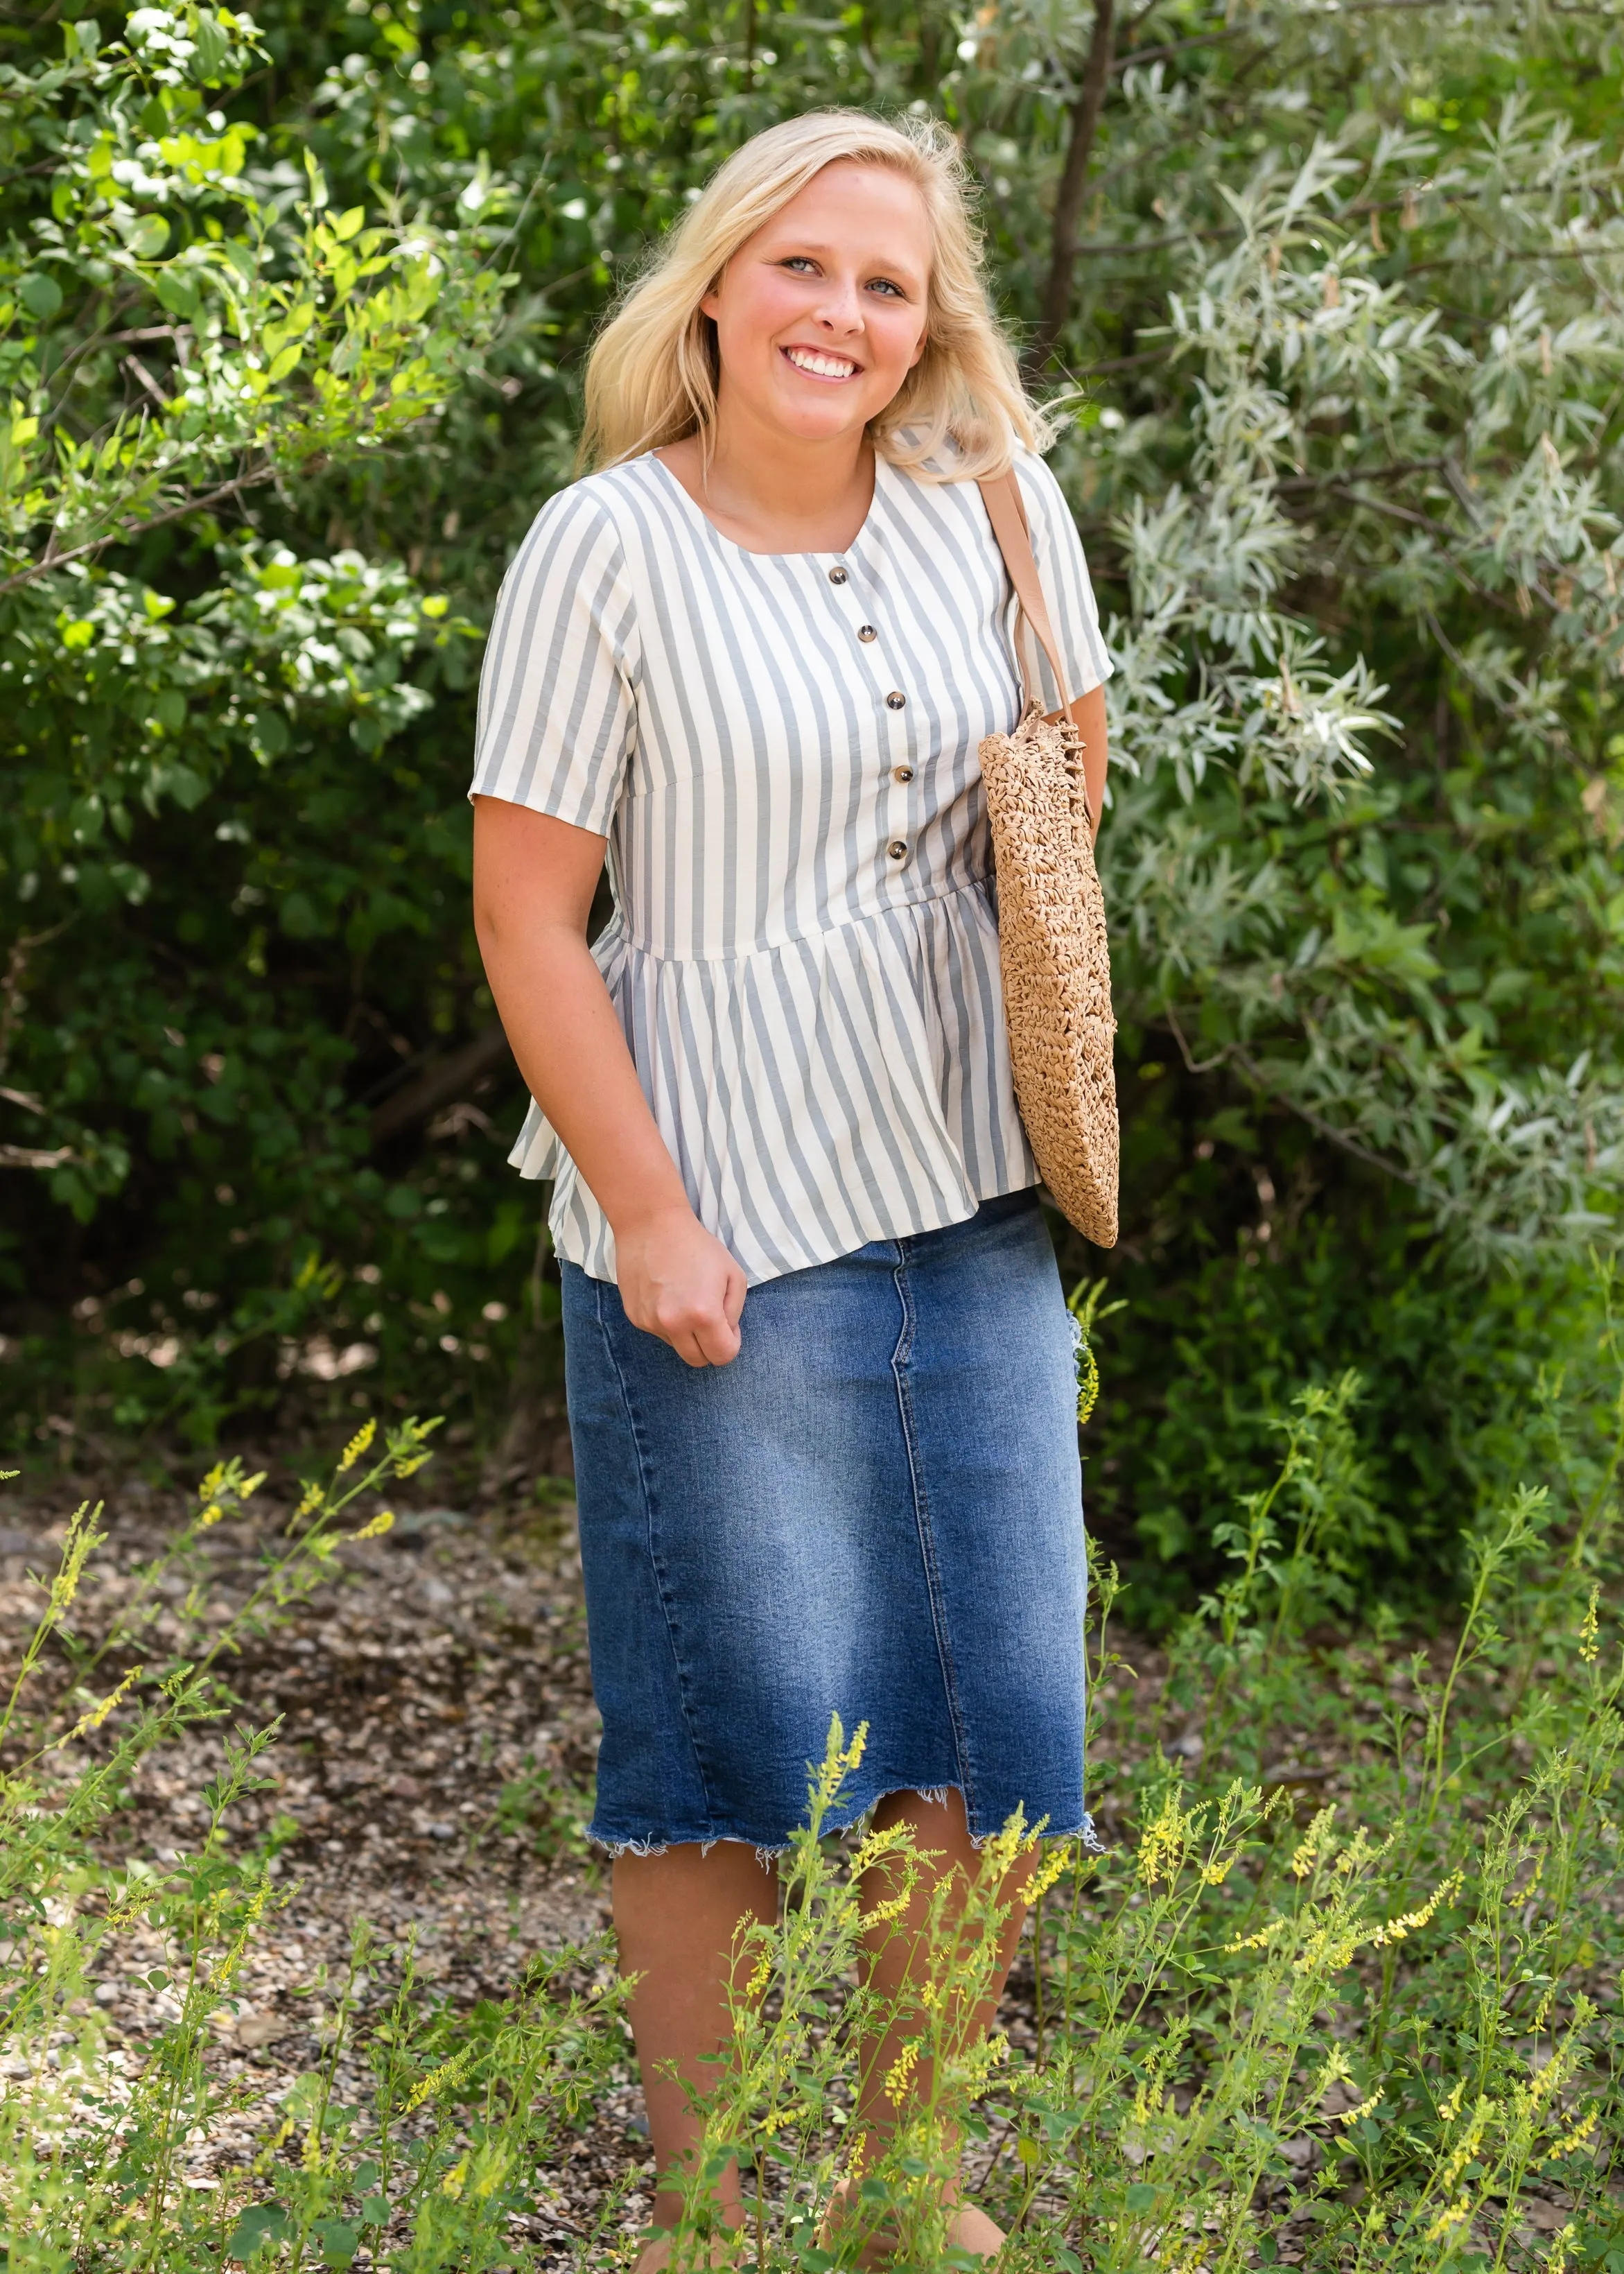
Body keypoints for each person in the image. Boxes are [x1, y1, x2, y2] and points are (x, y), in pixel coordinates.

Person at [469, 108, 1112, 2268]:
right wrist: (648, 1209)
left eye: (889, 284)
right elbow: (529, 915)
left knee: (985, 1715)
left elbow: (1065, 790)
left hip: (965, 1185)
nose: (843, 314)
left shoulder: (995, 508)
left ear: (930, 328)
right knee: (731, 1736)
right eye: (807, 269)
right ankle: (711, 2218)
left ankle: (908, 2201)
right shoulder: (604, 546)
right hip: (717, 1201)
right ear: (722, 287)